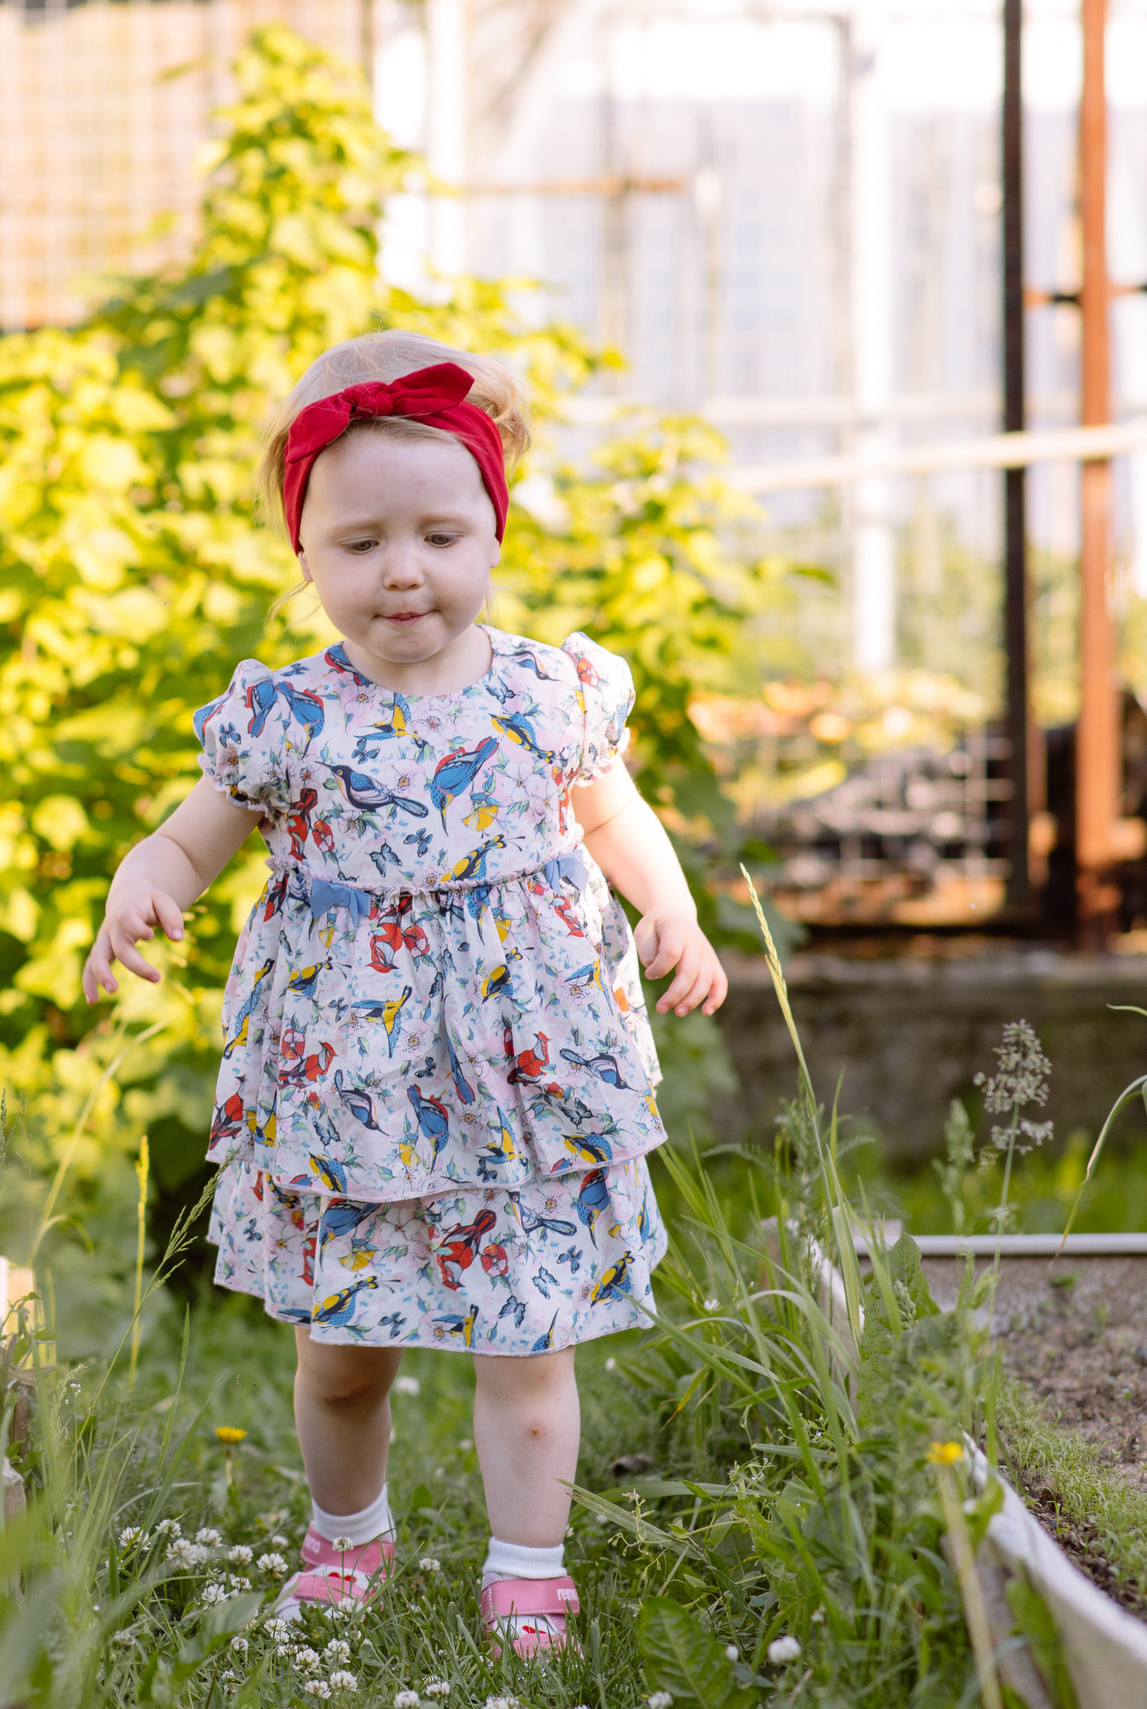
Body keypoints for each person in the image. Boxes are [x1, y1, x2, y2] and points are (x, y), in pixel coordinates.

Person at [81, 330, 728, 1658]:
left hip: (528, 1073)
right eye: (361, 541)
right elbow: (192, 837)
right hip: (350, 1084)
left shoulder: (548, 694)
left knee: (528, 1338)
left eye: (439, 532)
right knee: (342, 1351)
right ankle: (349, 1533)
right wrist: (142, 885)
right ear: (305, 550)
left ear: (491, 532)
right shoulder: (289, 718)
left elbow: (616, 816)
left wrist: (670, 905)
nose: (404, 571)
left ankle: (529, 1566)